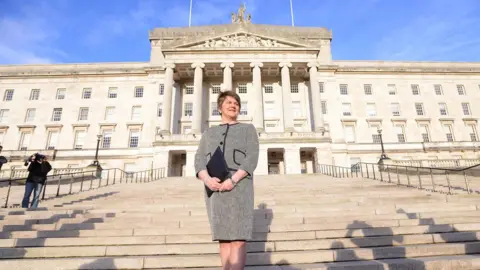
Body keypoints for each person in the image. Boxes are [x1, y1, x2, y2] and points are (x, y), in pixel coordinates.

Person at [195, 90, 259, 270]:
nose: (233, 106)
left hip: (240, 186)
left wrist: (234, 180)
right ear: (220, 107)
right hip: (214, 188)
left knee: (238, 239)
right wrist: (207, 179)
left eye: (236, 103)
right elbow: (199, 159)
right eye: (229, 102)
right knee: (223, 240)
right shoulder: (209, 133)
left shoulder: (248, 129)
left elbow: (252, 157)